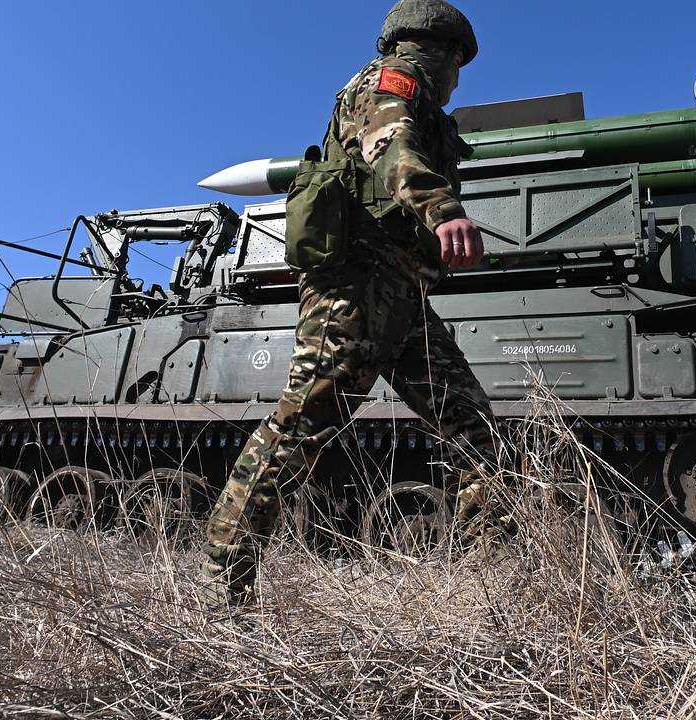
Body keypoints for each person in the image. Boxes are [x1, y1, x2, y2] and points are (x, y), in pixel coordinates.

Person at [200, 0, 497, 605]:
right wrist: (443, 210)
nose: (457, 78)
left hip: (406, 294)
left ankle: (485, 582)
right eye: (457, 64)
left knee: (474, 427)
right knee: (303, 424)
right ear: (436, 52)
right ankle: (222, 583)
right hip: (354, 283)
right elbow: (390, 151)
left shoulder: (435, 115)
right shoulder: (388, 84)